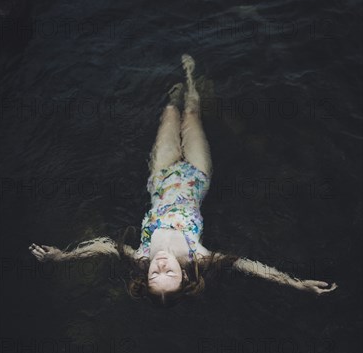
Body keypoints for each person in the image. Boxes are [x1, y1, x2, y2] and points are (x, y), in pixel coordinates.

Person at [29, 54, 338, 305]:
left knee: (167, 115)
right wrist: (296, 284)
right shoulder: (199, 256)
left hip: (161, 176)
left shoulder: (142, 255)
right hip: (195, 174)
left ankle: (172, 92)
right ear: (185, 276)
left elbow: (104, 245)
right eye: (169, 274)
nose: (161, 266)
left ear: (144, 275)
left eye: (154, 275)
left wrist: (63, 255)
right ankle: (190, 77)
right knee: (190, 115)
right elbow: (251, 266)